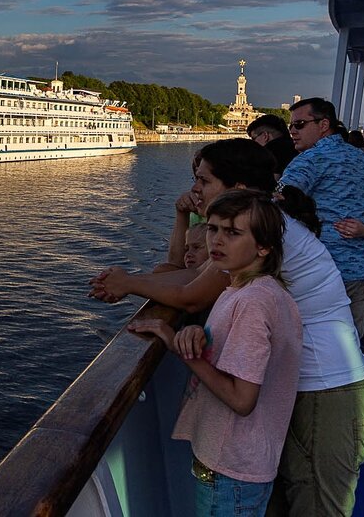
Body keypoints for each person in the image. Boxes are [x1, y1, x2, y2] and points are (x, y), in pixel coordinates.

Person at [97, 139, 364, 516]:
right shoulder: (258, 233)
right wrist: (136, 278)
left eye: (204, 180)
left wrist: (129, 284)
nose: (195, 189)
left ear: (239, 191)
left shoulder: (264, 235)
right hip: (313, 393)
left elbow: (191, 296)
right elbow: (192, 277)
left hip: (329, 395)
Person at [128, 189, 302, 517]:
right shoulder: (245, 289)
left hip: (231, 469)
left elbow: (242, 399)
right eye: (213, 228)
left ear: (263, 247)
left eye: (233, 233)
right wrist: (195, 336)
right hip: (236, 463)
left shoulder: (252, 302)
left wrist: (184, 350)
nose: (217, 241)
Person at [279, 98, 364, 340]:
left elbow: (278, 200)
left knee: (314, 347)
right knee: (350, 345)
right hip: (359, 268)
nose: (292, 131)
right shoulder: (361, 158)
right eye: (290, 126)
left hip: (320, 270)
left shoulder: (310, 160)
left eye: (300, 124)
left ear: (324, 124)